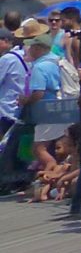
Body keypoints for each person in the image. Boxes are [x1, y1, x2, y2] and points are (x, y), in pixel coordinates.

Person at [24, 24, 80, 202]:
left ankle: (48, 176)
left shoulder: (40, 67)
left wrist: (24, 100)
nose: (29, 49)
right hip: (65, 108)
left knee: (39, 148)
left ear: (39, 48)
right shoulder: (57, 59)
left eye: (31, 46)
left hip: (48, 112)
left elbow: (38, 93)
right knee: (63, 147)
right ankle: (58, 181)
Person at [0, 26, 31, 195]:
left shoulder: (6, 59)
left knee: (7, 149)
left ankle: (7, 182)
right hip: (20, 108)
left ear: (6, 41)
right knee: (21, 148)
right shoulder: (22, 56)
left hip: (7, 109)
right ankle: (21, 180)